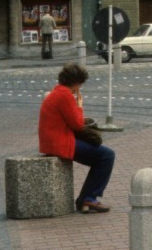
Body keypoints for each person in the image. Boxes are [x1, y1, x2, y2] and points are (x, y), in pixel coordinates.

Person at [39, 63, 115, 213]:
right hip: (61, 143)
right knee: (106, 156)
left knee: (100, 156)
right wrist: (79, 105)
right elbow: (77, 124)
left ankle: (87, 199)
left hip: (52, 142)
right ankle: (88, 198)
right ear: (75, 82)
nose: (79, 88)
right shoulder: (65, 95)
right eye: (80, 84)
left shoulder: (57, 91)